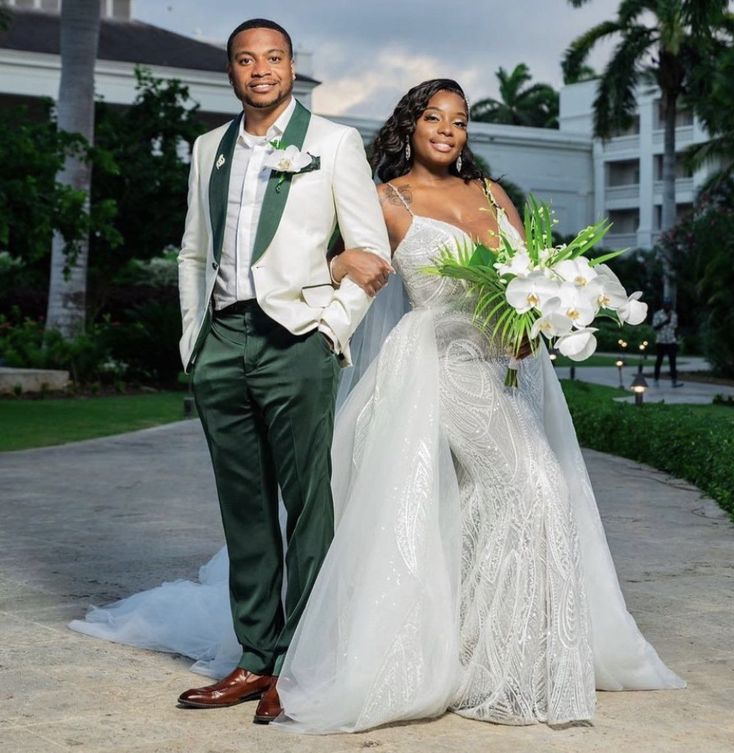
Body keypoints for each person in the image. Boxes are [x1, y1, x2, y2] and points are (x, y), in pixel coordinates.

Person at [69, 79, 684, 732]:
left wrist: (536, 322)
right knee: (532, 482)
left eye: (460, 119)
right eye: (433, 116)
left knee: (494, 493)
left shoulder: (492, 195)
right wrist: (327, 281)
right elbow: (323, 262)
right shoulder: (385, 199)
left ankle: (479, 648)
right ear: (409, 125)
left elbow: (524, 288)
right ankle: (489, 662)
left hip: (501, 367)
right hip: (434, 365)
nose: (448, 128)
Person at [73, 17, 391, 725]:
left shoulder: (332, 143)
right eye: (246, 60)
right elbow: (192, 252)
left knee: (309, 508)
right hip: (222, 345)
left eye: (272, 58)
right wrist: (195, 341)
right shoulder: (207, 147)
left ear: (289, 64)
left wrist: (329, 330)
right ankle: (255, 657)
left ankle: (302, 666)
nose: (260, 70)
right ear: (231, 70)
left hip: (296, 345)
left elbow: (369, 255)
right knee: (244, 510)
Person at [652, 300, 683, 387]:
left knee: (672, 362)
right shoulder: (657, 315)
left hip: (671, 341)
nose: (668, 307)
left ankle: (674, 381)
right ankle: (656, 380)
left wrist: (677, 340)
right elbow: (655, 327)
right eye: (666, 305)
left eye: (670, 306)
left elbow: (675, 328)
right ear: (663, 306)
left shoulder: (674, 315)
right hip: (660, 341)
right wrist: (665, 322)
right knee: (659, 361)